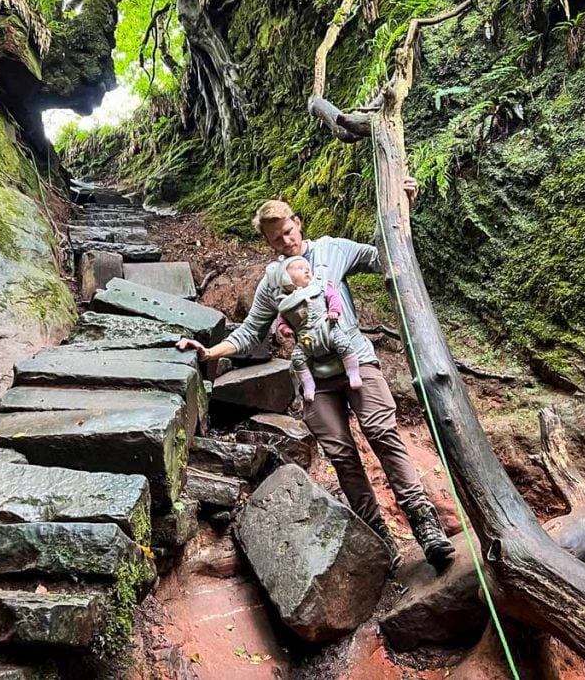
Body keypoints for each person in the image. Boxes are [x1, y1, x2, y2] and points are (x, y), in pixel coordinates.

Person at [177, 179, 456, 570]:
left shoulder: (332, 250)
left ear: (298, 221)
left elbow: (387, 257)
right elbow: (248, 332)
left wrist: (402, 208)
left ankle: (425, 525)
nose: (286, 241)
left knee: (382, 433)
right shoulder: (273, 281)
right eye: (276, 240)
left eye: (288, 231)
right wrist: (209, 351)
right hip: (314, 379)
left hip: (355, 359)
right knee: (342, 454)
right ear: (269, 243)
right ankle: (380, 540)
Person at [272, 255, 362, 399]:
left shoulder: (319, 287)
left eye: (308, 269)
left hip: (326, 329)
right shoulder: (285, 303)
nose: (306, 271)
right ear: (285, 277)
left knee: (343, 343)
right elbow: (282, 320)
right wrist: (285, 330)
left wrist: (334, 311)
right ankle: (309, 385)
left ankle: (353, 373)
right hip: (306, 339)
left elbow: (333, 297)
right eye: (300, 269)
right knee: (297, 358)